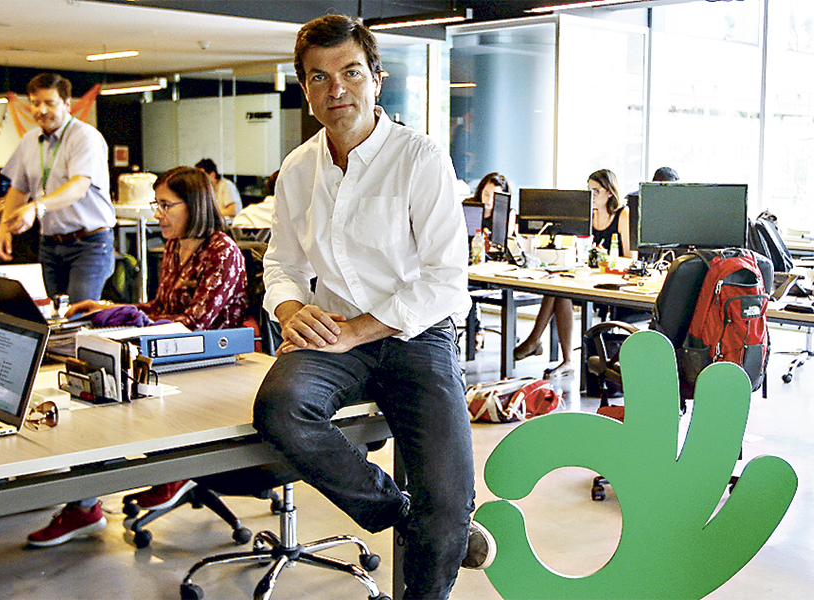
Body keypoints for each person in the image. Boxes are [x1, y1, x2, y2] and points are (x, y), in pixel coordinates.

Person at [251, 15, 489, 599]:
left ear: (376, 79)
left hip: (416, 334)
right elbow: (281, 264)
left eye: (351, 72)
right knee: (281, 407)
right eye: (319, 77)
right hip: (333, 332)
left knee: (450, 499)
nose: (337, 89)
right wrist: (289, 310)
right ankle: (401, 512)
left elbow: (445, 282)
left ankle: (438, 531)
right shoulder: (298, 169)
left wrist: (357, 330)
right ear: (305, 90)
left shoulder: (420, 157)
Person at [26, 166, 248, 547]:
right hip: (172, 359)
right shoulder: (176, 247)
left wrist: (137, 322)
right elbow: (161, 308)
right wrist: (108, 308)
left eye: (165, 205)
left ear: (193, 205)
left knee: (106, 399)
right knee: (96, 388)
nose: (157, 214)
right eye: (156, 204)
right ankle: (88, 502)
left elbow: (195, 323)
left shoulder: (222, 252)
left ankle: (93, 502)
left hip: (210, 367)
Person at [0, 72, 115, 302]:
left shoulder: (85, 137)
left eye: (50, 103)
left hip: (89, 243)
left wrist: (36, 207)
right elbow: (19, 190)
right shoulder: (30, 141)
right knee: (49, 313)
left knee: (78, 311)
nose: (41, 110)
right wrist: (4, 228)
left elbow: (78, 186)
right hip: (50, 244)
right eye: (35, 103)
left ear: (67, 103)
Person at [514, 168, 634, 379]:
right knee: (559, 290)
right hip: (588, 277)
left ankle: (535, 340)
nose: (591, 196)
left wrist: (605, 260)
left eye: (596, 191)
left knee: (559, 292)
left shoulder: (623, 214)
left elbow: (630, 258)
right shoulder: (588, 214)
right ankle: (565, 359)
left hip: (614, 280)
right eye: (588, 190)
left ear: (610, 192)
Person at [470, 171, 515, 244]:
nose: (489, 200)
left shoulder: (507, 213)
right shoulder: (470, 206)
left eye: (495, 197)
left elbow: (504, 242)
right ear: (481, 191)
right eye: (486, 194)